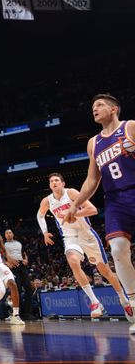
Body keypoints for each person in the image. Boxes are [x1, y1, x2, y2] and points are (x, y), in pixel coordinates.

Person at [66, 94, 135, 334]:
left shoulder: (131, 127)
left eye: (99, 105)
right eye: (92, 106)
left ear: (114, 108)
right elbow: (92, 179)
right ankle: (134, 306)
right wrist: (76, 204)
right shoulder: (93, 143)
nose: (94, 109)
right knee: (117, 249)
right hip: (115, 200)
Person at [39, 171, 134, 320]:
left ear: (63, 183)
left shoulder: (71, 193)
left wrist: (73, 214)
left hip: (86, 234)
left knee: (105, 271)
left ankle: (123, 299)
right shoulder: (47, 201)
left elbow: (93, 210)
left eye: (57, 180)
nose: (54, 182)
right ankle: (95, 302)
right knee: (73, 261)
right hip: (70, 237)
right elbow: (40, 215)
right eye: (51, 181)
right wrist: (45, 232)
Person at [3, 230, 34, 320]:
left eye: (10, 233)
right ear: (5, 236)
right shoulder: (3, 245)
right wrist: (6, 263)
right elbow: (1, 257)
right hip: (12, 268)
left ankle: (28, 313)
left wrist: (26, 260)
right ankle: (17, 313)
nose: (9, 234)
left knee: (29, 288)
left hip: (21, 266)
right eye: (7, 233)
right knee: (18, 290)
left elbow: (24, 253)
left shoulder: (18, 244)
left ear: (13, 234)